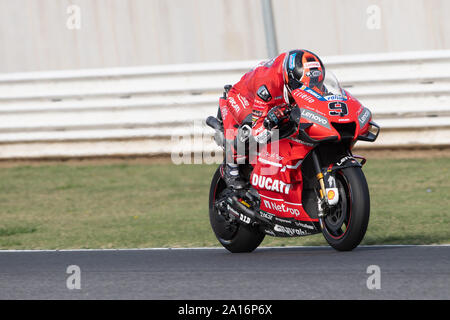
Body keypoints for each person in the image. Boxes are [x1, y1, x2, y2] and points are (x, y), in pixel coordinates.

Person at [220, 49, 326, 189]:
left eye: (314, 86)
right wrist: (271, 119)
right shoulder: (269, 84)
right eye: (302, 87)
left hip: (274, 95)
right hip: (243, 96)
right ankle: (230, 166)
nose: (310, 90)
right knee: (250, 129)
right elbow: (258, 130)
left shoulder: (306, 78)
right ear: (290, 79)